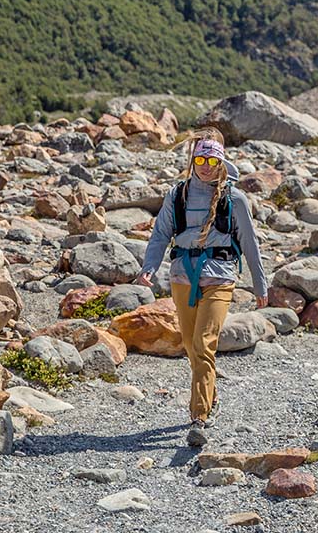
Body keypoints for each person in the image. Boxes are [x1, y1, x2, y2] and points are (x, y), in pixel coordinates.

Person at [135, 127, 268, 433]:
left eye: (213, 162)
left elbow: (249, 243)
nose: (206, 168)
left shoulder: (234, 199)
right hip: (182, 275)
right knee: (190, 345)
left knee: (203, 343)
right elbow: (160, 234)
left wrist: (261, 284)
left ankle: (199, 416)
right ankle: (210, 396)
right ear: (193, 161)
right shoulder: (177, 195)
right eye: (201, 161)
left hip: (220, 277)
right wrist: (149, 267)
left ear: (221, 163)